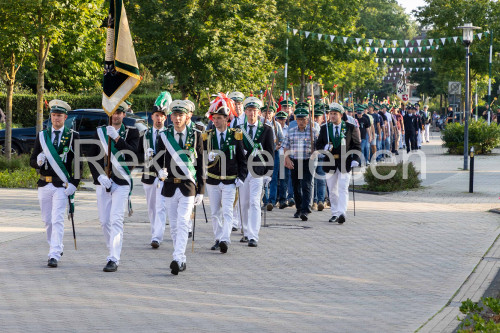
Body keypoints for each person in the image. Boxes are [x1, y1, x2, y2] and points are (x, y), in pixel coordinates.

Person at [88, 102, 139, 272]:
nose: (116, 116)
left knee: (116, 219)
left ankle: (113, 258)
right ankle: (112, 249)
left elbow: (133, 156)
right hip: (104, 182)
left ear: (124, 115)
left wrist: (117, 139)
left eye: (119, 113)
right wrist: (99, 176)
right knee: (104, 221)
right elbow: (92, 157)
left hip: (122, 182)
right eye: (113, 113)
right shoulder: (100, 132)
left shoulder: (132, 132)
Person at [30, 100, 80, 268]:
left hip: (61, 185)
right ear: (50, 117)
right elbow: (32, 160)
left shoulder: (73, 136)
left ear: (65, 117)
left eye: (59, 116)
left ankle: (54, 254)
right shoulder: (42, 136)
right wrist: (38, 161)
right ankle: (55, 246)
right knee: (47, 220)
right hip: (44, 184)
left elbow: (78, 163)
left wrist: (75, 183)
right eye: (53, 115)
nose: (56, 119)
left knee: (57, 219)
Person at [158, 100, 205, 275]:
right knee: (175, 226)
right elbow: (157, 158)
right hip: (170, 185)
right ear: (170, 117)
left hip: (188, 185)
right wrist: (159, 172)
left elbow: (201, 164)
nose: (177, 119)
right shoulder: (164, 135)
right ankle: (181, 258)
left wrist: (201, 190)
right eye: (175, 115)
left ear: (187, 117)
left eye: (181, 115)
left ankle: (177, 257)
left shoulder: (196, 135)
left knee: (184, 222)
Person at [203, 96, 247, 254]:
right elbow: (201, 158)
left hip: (230, 180)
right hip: (213, 180)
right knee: (215, 212)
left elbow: (242, 159)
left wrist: (241, 178)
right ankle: (218, 237)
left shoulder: (236, 135)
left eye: (219, 118)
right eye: (214, 118)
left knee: (227, 211)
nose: (215, 121)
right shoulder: (207, 136)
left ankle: (225, 239)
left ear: (227, 119)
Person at [315, 102, 361, 224]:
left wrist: (356, 158)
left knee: (343, 188)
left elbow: (357, 145)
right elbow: (318, 144)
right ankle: (334, 213)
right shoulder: (325, 128)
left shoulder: (350, 128)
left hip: (345, 162)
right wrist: (324, 147)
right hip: (330, 162)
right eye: (331, 114)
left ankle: (342, 213)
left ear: (341, 115)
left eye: (335, 114)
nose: (332, 116)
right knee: (332, 190)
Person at [237, 97, 274, 247]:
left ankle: (253, 235)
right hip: (243, 171)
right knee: (244, 202)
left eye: (254, 111)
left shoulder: (266, 129)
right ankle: (245, 231)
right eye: (249, 110)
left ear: (259, 112)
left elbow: (270, 152)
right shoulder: (239, 129)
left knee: (254, 202)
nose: (252, 113)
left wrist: (268, 173)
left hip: (258, 170)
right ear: (245, 111)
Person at [138, 92, 170, 249]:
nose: (159, 119)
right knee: (151, 208)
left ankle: (158, 236)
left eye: (161, 116)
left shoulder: (169, 134)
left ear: (165, 118)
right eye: (156, 115)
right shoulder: (145, 134)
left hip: (163, 176)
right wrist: (144, 155)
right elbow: (136, 153)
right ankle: (154, 233)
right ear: (152, 117)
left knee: (161, 207)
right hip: (149, 175)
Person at [283, 102, 318, 221]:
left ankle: (305, 209)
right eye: (299, 119)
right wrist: (287, 159)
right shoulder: (291, 131)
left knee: (306, 185)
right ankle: (298, 208)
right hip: (295, 161)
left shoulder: (313, 132)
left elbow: (318, 147)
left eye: (303, 119)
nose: (301, 121)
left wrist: (315, 152)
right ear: (296, 120)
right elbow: (286, 147)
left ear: (308, 120)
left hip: (308, 161)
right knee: (296, 186)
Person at [262, 103, 284, 211]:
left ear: (273, 113)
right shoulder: (261, 124)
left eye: (270, 112)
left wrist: (278, 146)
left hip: (274, 152)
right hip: (263, 153)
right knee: (263, 175)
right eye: (265, 112)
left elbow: (281, 139)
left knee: (273, 177)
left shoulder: (277, 125)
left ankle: (272, 200)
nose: (268, 114)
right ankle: (265, 199)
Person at [312, 104, 327, 211]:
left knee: (321, 179)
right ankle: (314, 201)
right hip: (312, 157)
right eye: (315, 117)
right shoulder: (311, 128)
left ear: (322, 118)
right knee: (312, 180)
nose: (316, 119)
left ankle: (321, 200)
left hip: (322, 157)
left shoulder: (325, 129)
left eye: (318, 117)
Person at [274, 110, 291, 209]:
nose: (281, 122)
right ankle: (275, 199)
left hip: (284, 156)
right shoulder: (274, 128)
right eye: (279, 119)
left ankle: (283, 200)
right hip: (276, 155)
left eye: (283, 120)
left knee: (284, 179)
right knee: (275, 179)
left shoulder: (288, 130)